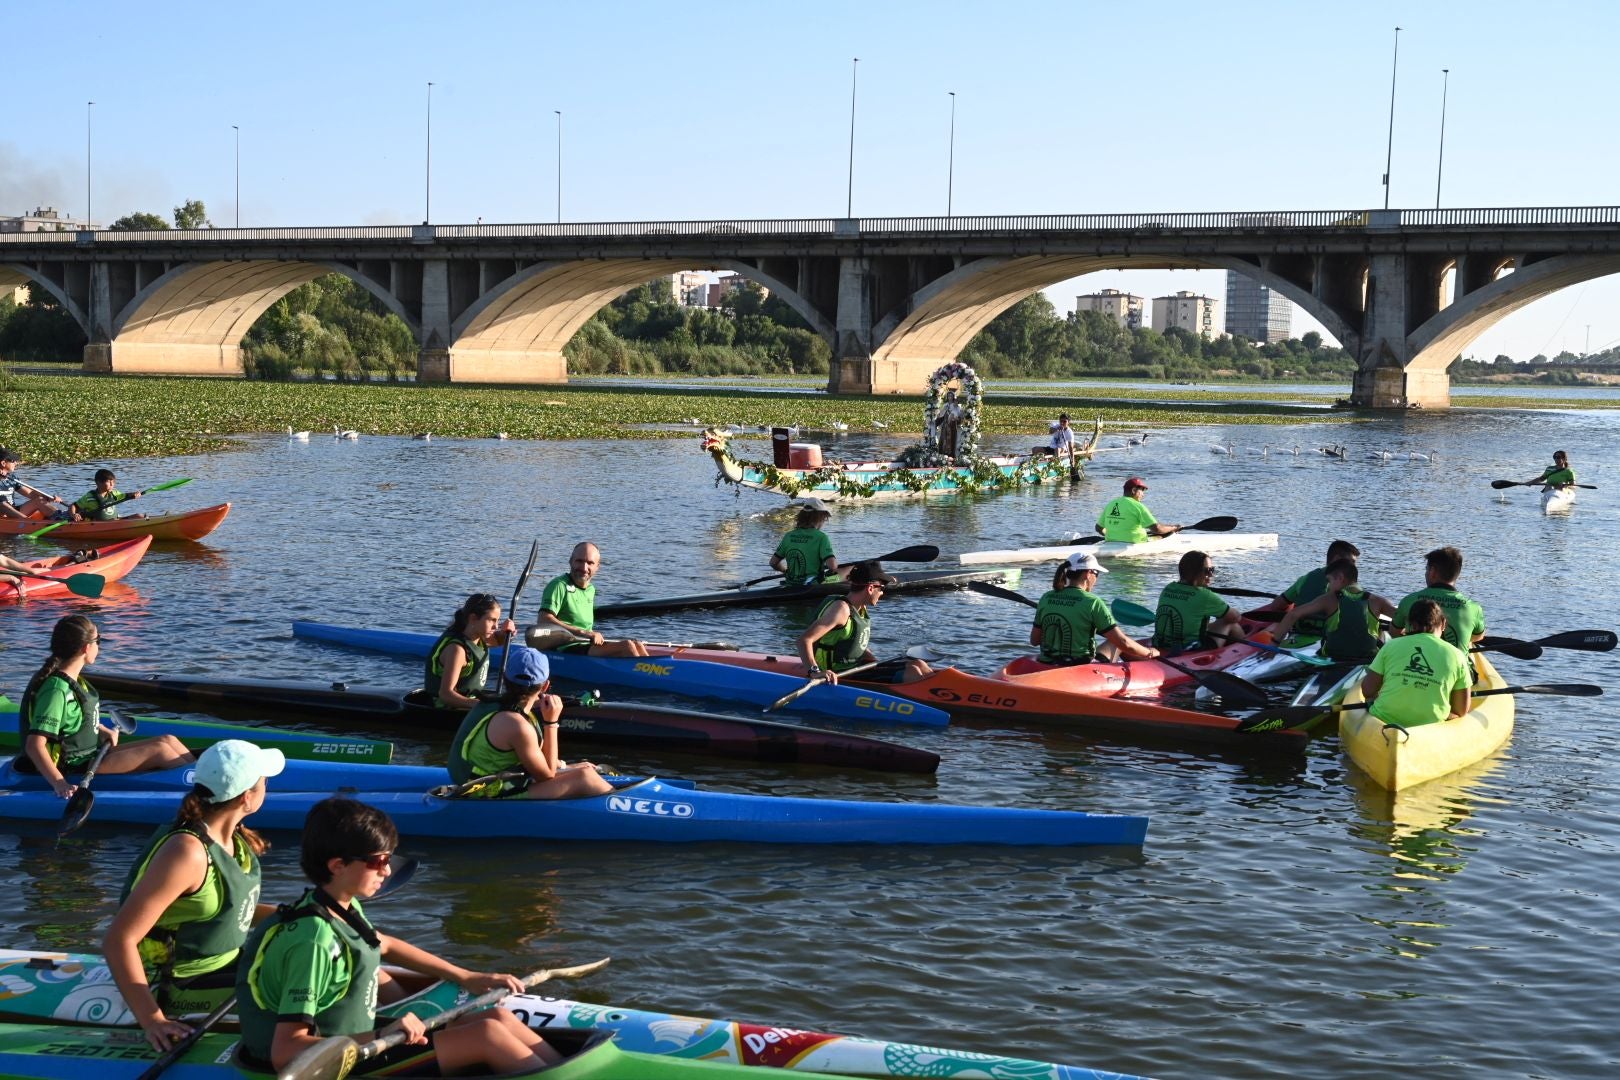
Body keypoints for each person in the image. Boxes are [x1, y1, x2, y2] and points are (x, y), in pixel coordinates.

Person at [236, 797, 561, 1073]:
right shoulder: (312, 943)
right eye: (379, 861)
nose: (388, 871)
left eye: (389, 859)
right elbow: (286, 1052)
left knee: (497, 1016)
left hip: (359, 1038)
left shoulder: (337, 905)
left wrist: (466, 975)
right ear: (338, 865)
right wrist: (383, 1031)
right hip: (336, 1062)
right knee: (487, 1034)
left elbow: (384, 944)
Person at [104, 740, 285, 1052]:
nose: (267, 786)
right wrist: (153, 1021)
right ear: (246, 797)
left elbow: (227, 909)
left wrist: (294, 914)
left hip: (225, 965)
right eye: (264, 781)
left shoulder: (235, 839)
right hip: (177, 985)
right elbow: (118, 940)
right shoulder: (187, 853)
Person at [11, 616, 193, 797]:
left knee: (168, 740)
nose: (100, 646)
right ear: (86, 647)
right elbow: (34, 745)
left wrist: (101, 729)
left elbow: (71, 720)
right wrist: (59, 783)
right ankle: (204, 792)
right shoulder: (56, 690)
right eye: (98, 640)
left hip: (88, 757)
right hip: (71, 767)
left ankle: (206, 781)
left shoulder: (74, 681)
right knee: (161, 751)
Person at [448, 646, 612, 799]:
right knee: (585, 778)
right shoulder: (517, 725)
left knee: (584, 770)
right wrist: (551, 722)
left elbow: (539, 760)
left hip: (489, 781)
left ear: (505, 679)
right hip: (484, 793)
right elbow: (546, 775)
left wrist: (569, 766)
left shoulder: (494, 705)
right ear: (546, 685)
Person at [797, 561, 933, 683]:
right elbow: (804, 640)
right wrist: (814, 672)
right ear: (870, 588)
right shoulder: (841, 610)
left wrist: (876, 664)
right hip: (837, 674)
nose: (882, 593)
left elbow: (855, 643)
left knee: (918, 664)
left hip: (855, 667)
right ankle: (938, 702)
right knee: (913, 672)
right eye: (881, 588)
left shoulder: (860, 607)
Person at [1360, 599, 1472, 728]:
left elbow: (1367, 690)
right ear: (1443, 623)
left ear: (1410, 624)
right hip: (1430, 727)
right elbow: (1461, 710)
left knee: (1371, 699)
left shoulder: (1390, 646)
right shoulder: (1457, 655)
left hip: (1384, 720)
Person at [1031, 552, 1159, 664]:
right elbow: (1124, 643)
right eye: (1096, 573)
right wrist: (1149, 652)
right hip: (1080, 667)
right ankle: (1151, 667)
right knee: (1116, 641)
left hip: (1046, 662)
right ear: (1088, 574)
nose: (1096, 579)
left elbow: (1034, 640)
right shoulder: (1092, 602)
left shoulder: (1046, 597)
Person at [535, 542, 648, 657]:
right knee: (627, 646)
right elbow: (543, 620)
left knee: (637, 644)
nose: (584, 568)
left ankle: (653, 673)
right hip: (565, 647)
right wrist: (584, 633)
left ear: (597, 567)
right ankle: (644, 673)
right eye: (579, 561)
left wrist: (588, 635)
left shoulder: (591, 589)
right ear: (570, 561)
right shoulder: (558, 585)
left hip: (585, 644)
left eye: (590, 563)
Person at [1270, 558, 1395, 662]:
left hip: (1333, 658)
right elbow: (1405, 619)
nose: (1328, 586)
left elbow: (1292, 615)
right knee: (1381, 636)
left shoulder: (1328, 599)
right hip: (1367, 660)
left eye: (1329, 580)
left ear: (1340, 578)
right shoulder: (1378, 601)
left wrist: (1274, 644)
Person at [425, 592, 516, 709]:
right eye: (492, 620)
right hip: (445, 709)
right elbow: (446, 694)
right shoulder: (457, 650)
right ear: (473, 618)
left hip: (469, 703)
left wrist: (508, 633)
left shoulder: (478, 637)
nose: (496, 626)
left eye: (497, 621)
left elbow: (499, 640)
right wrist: (483, 705)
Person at [1393, 546, 1486, 650]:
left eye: (1426, 569)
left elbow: (1394, 633)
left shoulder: (1409, 600)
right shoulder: (1473, 608)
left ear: (1432, 572)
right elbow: (1478, 637)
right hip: (1454, 664)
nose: (1426, 573)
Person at [1152, 551, 1245, 652]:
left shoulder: (1168, 588)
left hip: (1160, 644)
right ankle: (1245, 651)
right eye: (1208, 571)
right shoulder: (1205, 595)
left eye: (1212, 570)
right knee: (1230, 622)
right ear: (1194, 572)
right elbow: (1235, 617)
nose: (1211, 575)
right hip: (1190, 648)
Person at [1276, 540, 1361, 639]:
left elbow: (1277, 605)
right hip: (1328, 643)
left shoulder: (1306, 578)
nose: (1354, 567)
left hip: (1298, 636)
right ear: (1337, 559)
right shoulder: (1351, 587)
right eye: (1352, 562)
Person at [770, 501, 841, 586]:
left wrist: (785, 571)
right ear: (820, 517)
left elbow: (773, 563)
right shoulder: (821, 537)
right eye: (825, 518)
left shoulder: (788, 536)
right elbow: (832, 566)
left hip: (791, 583)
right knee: (846, 572)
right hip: (812, 586)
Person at [1095, 477, 1180, 543]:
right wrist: (1174, 527)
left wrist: (1113, 536)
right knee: (1163, 535)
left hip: (1110, 542)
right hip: (1135, 543)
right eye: (1142, 491)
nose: (1143, 494)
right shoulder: (1138, 506)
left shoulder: (1111, 504)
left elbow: (1098, 528)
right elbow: (1157, 529)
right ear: (1134, 490)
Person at [0, 448, 66, 521]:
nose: (16, 463)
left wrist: (48, 498)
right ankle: (27, 522)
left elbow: (30, 493)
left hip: (13, 512)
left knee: (39, 500)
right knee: (2, 504)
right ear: (3, 463)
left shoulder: (12, 478)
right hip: (2, 513)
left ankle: (61, 517)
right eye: (13, 461)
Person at [68, 468, 145, 522]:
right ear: (98, 482)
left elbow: (126, 496)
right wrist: (74, 514)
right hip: (99, 524)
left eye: (113, 482)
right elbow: (74, 505)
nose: (112, 484)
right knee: (114, 521)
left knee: (139, 516)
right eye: (108, 482)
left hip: (116, 520)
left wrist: (135, 494)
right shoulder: (90, 496)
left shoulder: (114, 493)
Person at [938, 389, 964, 459]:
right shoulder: (945, 405)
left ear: (953, 397)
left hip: (952, 426)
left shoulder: (956, 406)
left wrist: (956, 418)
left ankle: (951, 455)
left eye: (951, 396)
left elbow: (960, 416)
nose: (949, 397)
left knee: (951, 440)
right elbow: (941, 415)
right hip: (945, 426)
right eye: (948, 396)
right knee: (944, 440)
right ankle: (943, 454)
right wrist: (944, 410)